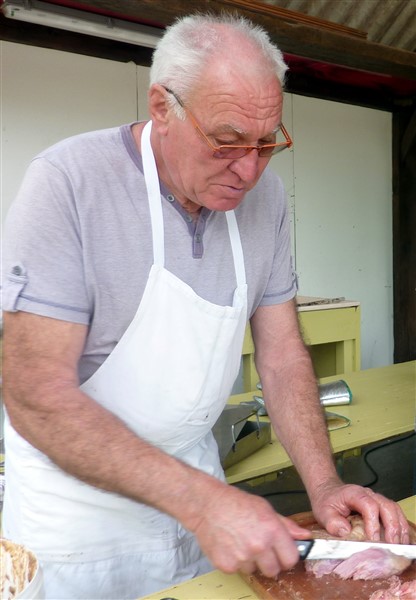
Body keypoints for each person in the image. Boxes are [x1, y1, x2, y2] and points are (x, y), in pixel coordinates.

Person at [2, 12, 409, 600]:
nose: (248, 170)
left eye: (267, 143)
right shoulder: (69, 183)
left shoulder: (263, 198)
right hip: (78, 528)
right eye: (227, 142)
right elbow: (34, 393)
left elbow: (283, 355)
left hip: (202, 503)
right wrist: (205, 502)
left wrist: (323, 486)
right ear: (163, 108)